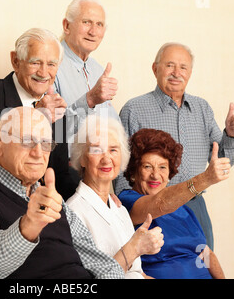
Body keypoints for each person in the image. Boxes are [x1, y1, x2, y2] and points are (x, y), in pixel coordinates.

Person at [0, 107, 125, 279]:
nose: (38, 153)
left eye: (45, 144)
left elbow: (100, 263)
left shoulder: (51, 197)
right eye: (27, 141)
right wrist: (30, 224)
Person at [116, 42, 234, 250]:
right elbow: (121, 165)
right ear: (155, 68)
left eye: (183, 67)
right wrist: (125, 209)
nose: (176, 73)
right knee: (166, 267)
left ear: (190, 73)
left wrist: (230, 135)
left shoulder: (202, 108)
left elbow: (221, 159)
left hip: (195, 204)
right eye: (170, 65)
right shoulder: (135, 109)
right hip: (154, 205)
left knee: (203, 263)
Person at [0, 28, 78, 200]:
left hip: (42, 206)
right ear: (15, 61)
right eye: (35, 62)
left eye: (51, 64)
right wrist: (37, 117)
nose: (44, 73)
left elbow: (59, 176)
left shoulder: (58, 112)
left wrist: (99, 196)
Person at [118, 128, 228, 279]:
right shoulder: (127, 201)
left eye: (162, 167)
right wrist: (205, 179)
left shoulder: (183, 209)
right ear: (133, 172)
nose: (155, 175)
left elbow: (205, 252)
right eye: (147, 166)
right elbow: (160, 203)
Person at [67, 116, 164, 279]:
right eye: (96, 150)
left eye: (113, 150)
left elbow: (138, 273)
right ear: (82, 158)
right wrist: (134, 247)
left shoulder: (120, 209)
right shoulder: (74, 212)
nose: (106, 159)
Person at [54, 0, 119, 123]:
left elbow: (112, 124)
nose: (93, 32)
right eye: (86, 22)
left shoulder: (98, 69)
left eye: (99, 24)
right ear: (66, 25)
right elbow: (54, 131)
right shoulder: (49, 65)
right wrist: (89, 100)